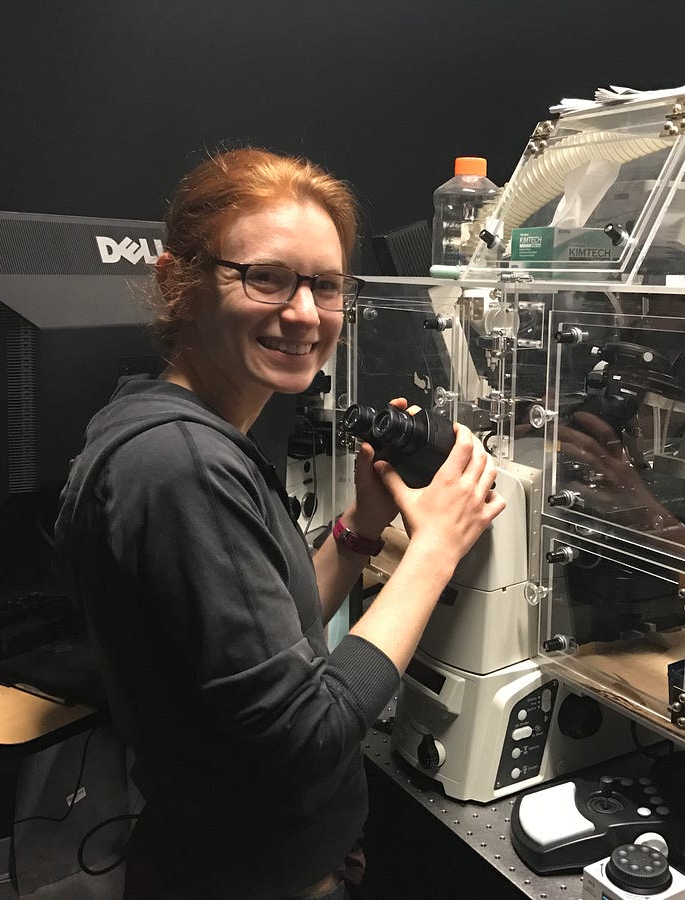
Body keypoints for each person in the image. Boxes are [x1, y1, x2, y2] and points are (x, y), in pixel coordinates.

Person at [54, 147, 506, 898]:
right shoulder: (183, 466)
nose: (302, 313)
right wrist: (436, 549)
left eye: (325, 285)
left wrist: (362, 526)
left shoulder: (168, 425)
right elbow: (306, 737)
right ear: (178, 283)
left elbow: (269, 641)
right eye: (265, 277)